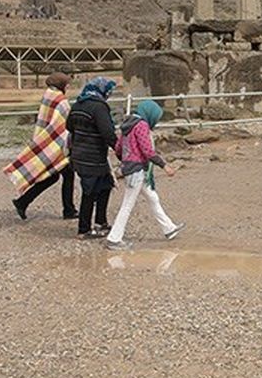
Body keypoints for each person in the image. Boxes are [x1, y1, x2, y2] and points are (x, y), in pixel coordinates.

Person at [106, 100, 184, 250]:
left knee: (152, 197)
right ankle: (114, 238)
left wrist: (126, 161)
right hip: (136, 170)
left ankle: (169, 228)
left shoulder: (126, 125)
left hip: (131, 169)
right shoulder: (141, 125)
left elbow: (118, 148)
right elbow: (147, 151)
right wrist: (164, 166)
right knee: (127, 205)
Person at [5, 73, 78, 221]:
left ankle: (23, 202)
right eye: (67, 84)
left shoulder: (48, 96)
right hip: (56, 145)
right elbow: (63, 124)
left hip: (46, 140)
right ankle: (68, 210)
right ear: (62, 85)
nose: (68, 87)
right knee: (65, 174)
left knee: (54, 176)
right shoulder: (61, 101)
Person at [68, 77, 118, 238]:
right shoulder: (99, 107)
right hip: (93, 156)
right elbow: (108, 132)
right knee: (89, 191)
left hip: (78, 155)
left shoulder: (77, 104)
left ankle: (101, 222)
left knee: (105, 185)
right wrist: (121, 151)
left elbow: (68, 126)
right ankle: (84, 229)